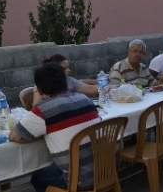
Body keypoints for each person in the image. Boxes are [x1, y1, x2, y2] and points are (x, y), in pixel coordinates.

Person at [9, 63, 101, 192]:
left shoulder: (43, 110)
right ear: (65, 81)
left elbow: (14, 136)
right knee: (52, 167)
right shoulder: (86, 100)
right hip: (102, 169)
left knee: (38, 177)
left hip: (78, 179)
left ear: (40, 90)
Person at [32, 54, 98, 106]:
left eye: (68, 67)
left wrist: (106, 85)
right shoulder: (42, 85)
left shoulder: (69, 80)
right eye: (65, 68)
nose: (69, 70)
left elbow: (90, 89)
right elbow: (36, 105)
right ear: (55, 70)